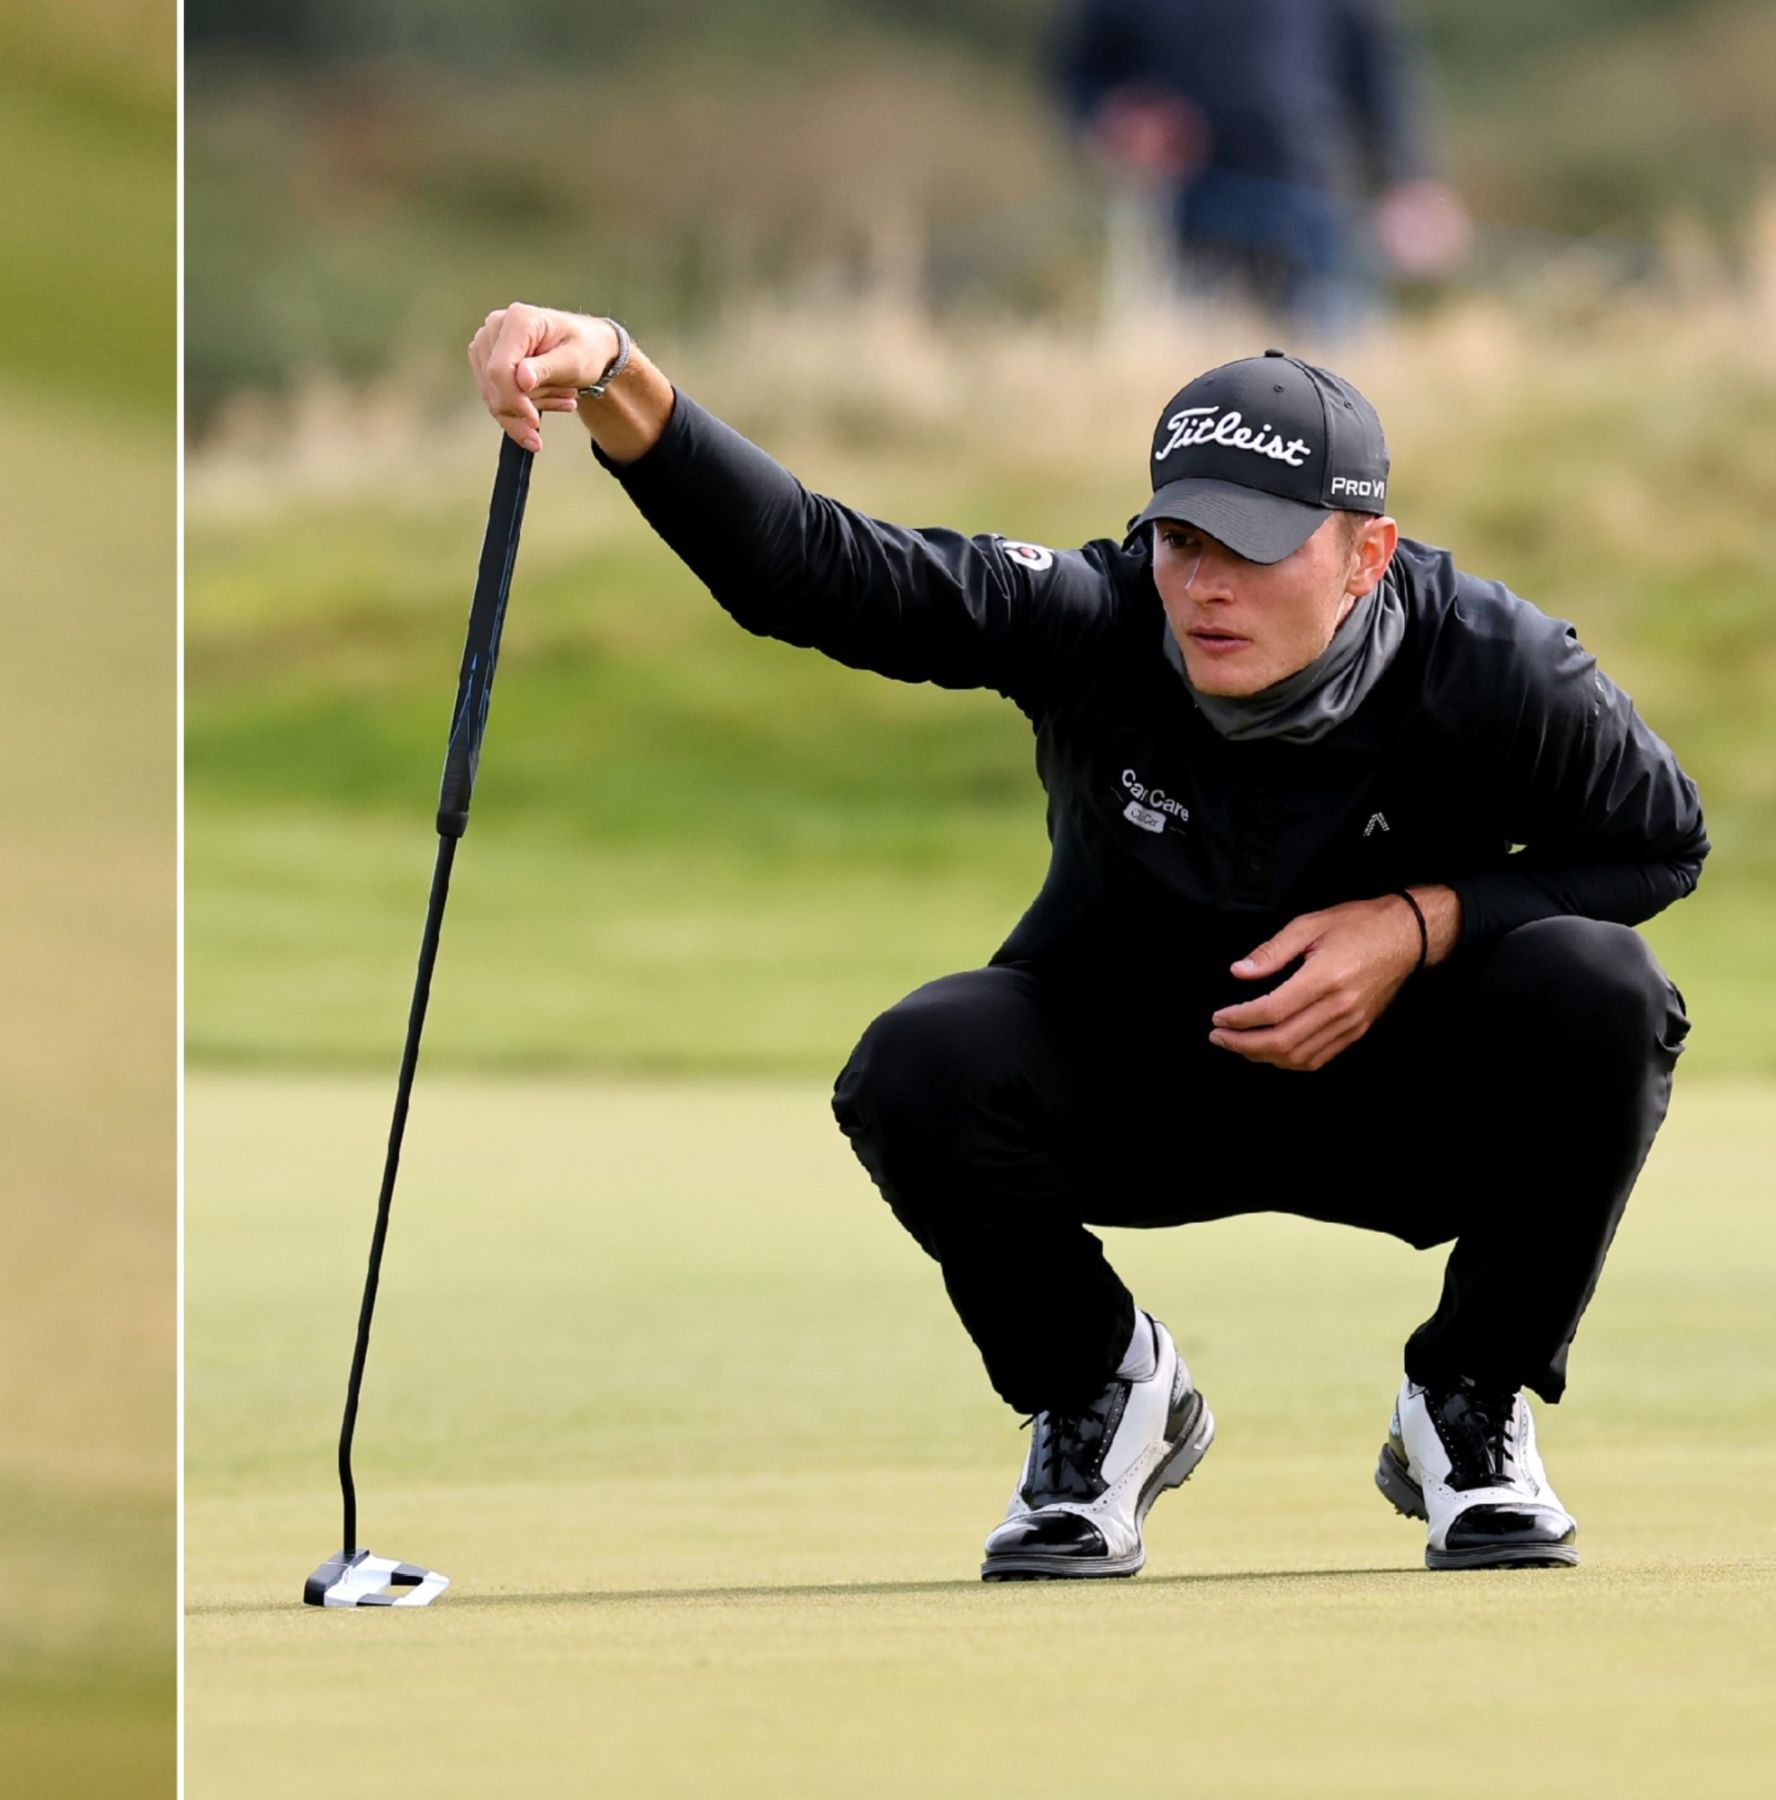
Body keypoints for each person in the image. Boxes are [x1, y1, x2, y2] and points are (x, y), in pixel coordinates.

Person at [467, 304, 1699, 1580]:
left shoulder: (1496, 665)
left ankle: (1469, 1400)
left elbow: (1659, 847)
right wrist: (615, 378)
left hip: (1407, 1110)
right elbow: (813, 570)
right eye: (1179, 538)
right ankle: (1104, 1392)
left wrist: (1416, 922)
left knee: (1600, 985)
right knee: (919, 1062)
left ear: (1364, 552)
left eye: (1255, 549)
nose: (1203, 585)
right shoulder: (1093, 618)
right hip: (1140, 1085)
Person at [1055, 0, 1471, 332]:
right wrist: (1121, 119)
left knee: (1327, 384)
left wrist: (1412, 181)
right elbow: (1082, 75)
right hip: (1180, 219)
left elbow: (1380, 74)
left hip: (1314, 212)